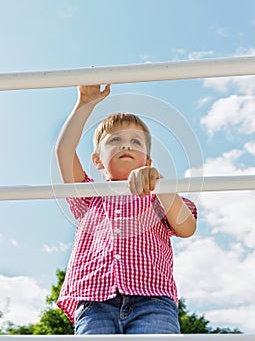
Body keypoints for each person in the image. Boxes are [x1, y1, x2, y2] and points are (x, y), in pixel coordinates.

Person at [55, 85, 197, 334]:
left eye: (135, 141)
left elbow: (186, 227)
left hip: (152, 300)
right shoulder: (90, 198)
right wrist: (85, 104)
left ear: (148, 161)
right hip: (95, 301)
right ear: (98, 160)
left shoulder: (158, 200)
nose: (126, 146)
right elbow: (64, 152)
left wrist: (160, 184)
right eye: (115, 140)